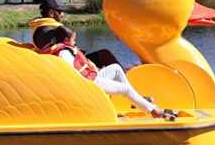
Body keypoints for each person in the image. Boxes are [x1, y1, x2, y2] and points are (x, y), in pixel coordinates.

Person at [42, 26, 177, 120]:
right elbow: (72, 73)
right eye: (73, 39)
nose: (75, 42)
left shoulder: (66, 50)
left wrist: (94, 71)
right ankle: (153, 111)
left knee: (116, 69)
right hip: (89, 84)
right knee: (124, 89)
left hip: (91, 77)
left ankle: (138, 101)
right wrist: (89, 82)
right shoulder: (64, 53)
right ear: (66, 40)